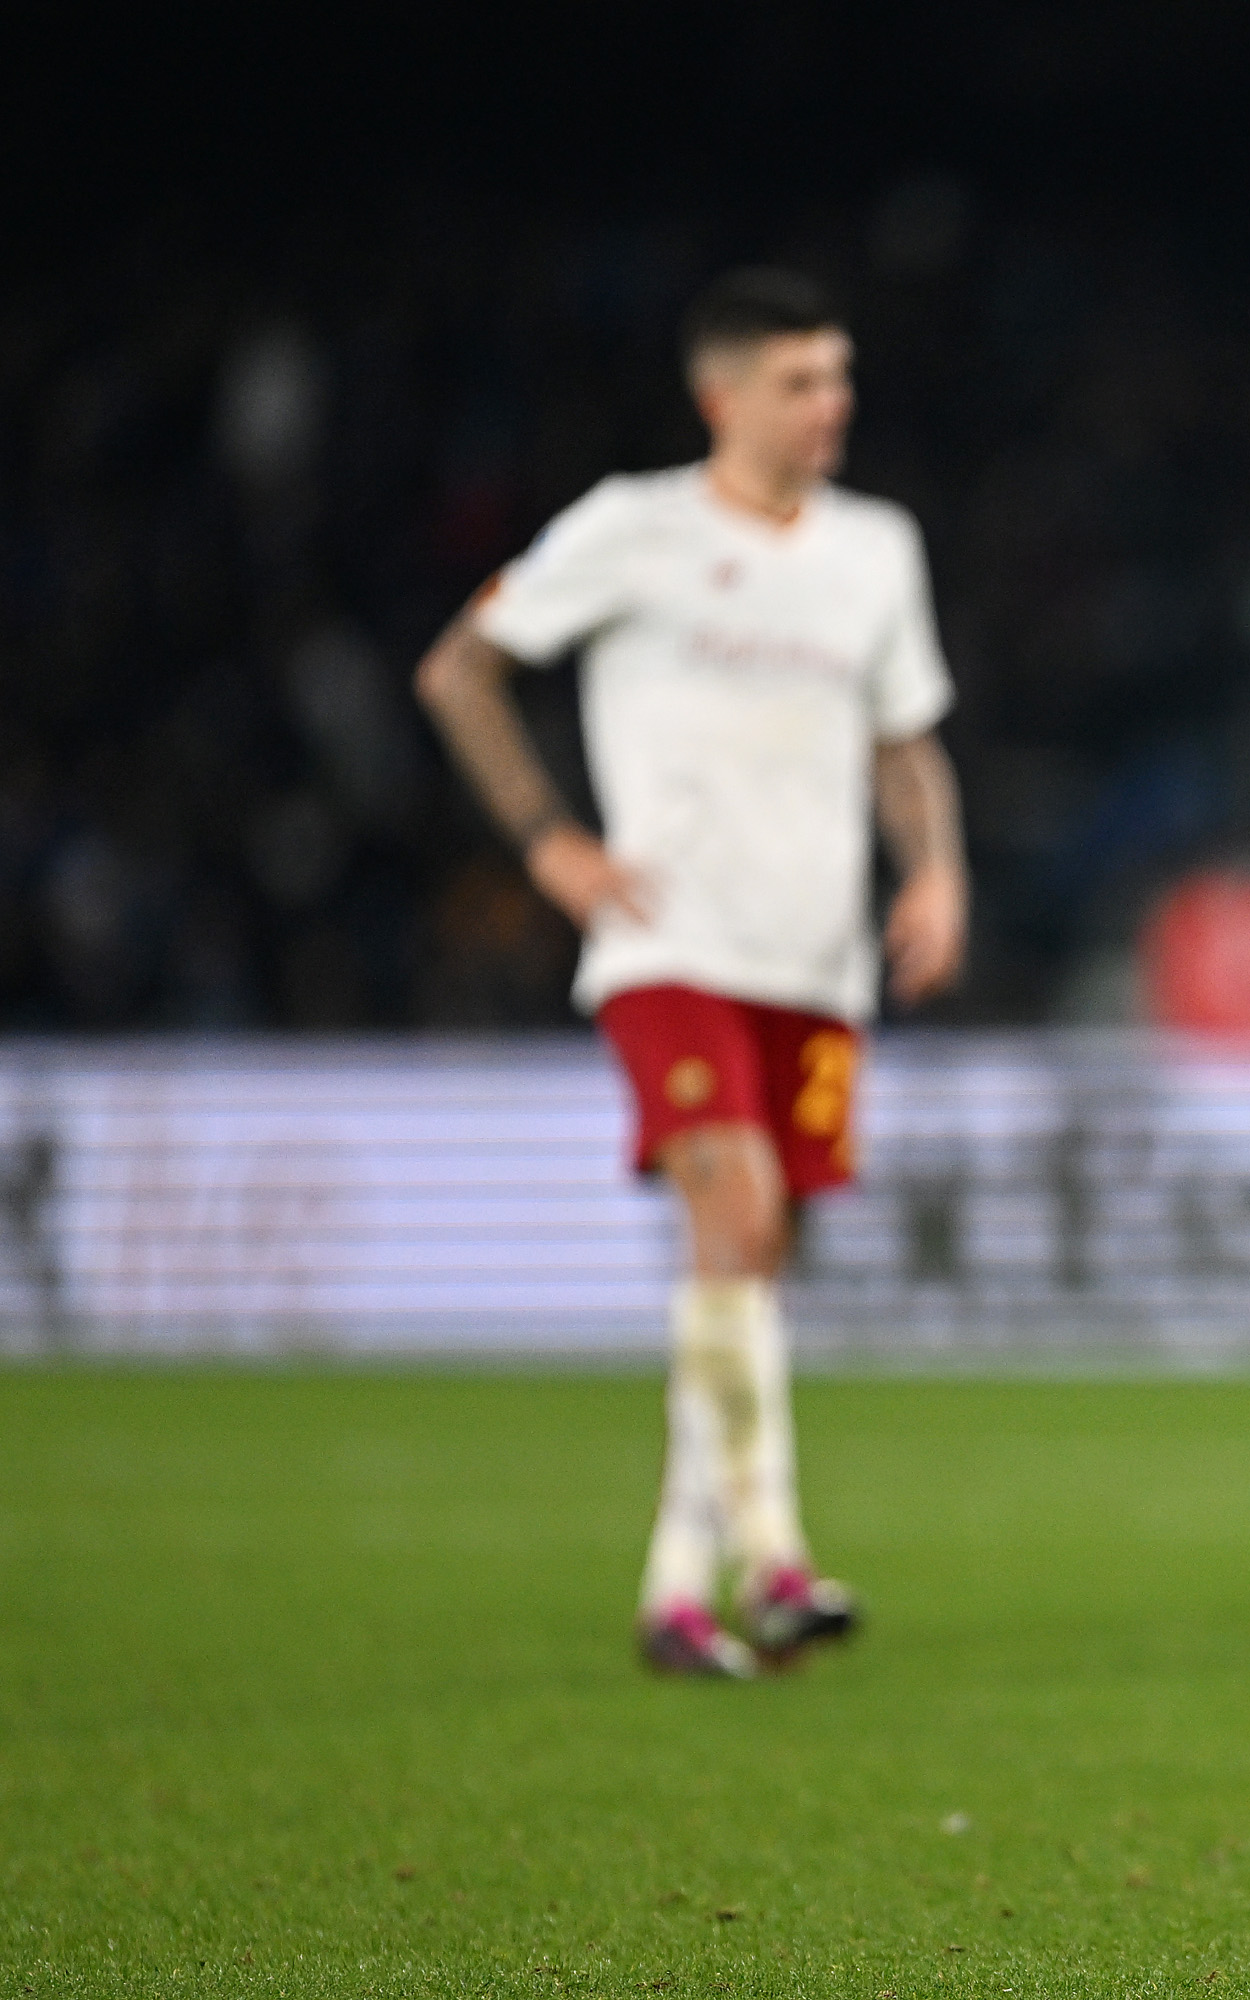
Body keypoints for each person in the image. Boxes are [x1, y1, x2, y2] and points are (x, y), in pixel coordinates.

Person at [413, 268, 968, 1678]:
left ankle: (676, 1582)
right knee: (740, 1202)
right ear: (721, 396)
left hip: (816, 959)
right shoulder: (633, 528)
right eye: (800, 382)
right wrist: (549, 843)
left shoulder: (875, 550)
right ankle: (776, 1561)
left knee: (748, 1256)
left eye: (840, 377)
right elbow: (458, 670)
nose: (831, 405)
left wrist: (939, 870)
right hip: (671, 943)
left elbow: (904, 739)